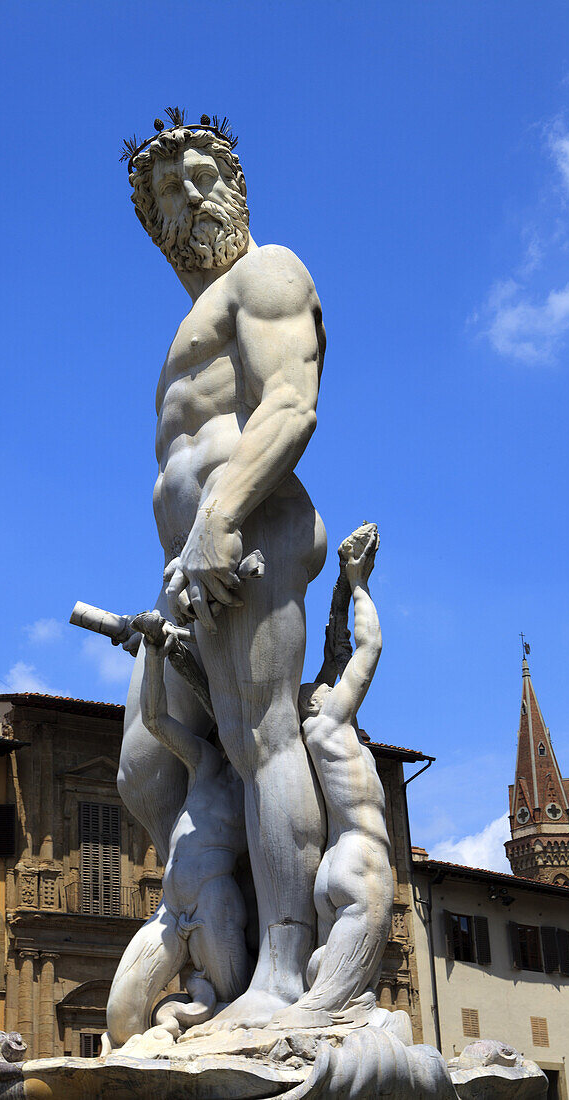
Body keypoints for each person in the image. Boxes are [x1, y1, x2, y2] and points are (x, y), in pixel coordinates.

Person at [115, 110, 327, 1029]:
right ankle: (219, 945)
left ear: (235, 185)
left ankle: (283, 977)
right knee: (144, 772)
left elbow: (290, 402)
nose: (189, 194)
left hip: (245, 532)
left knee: (261, 740)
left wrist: (219, 517)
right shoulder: (187, 318)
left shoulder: (268, 271)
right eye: (168, 188)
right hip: (182, 564)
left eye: (202, 175)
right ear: (152, 220)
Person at [106, 611, 250, 1048]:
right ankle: (178, 1021)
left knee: (231, 1009)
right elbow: (154, 721)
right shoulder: (206, 763)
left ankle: (185, 1024)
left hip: (214, 905)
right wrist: (153, 654)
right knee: (121, 1018)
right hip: (170, 907)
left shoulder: (260, 789)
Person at [269, 524, 392, 1029]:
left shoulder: (309, 740)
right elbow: (367, 650)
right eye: (322, 687)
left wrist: (338, 595)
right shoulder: (332, 724)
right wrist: (360, 583)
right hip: (363, 858)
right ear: (314, 703)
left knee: (333, 987)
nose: (329, 684)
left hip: (329, 870)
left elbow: (333, 651)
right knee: (323, 1011)